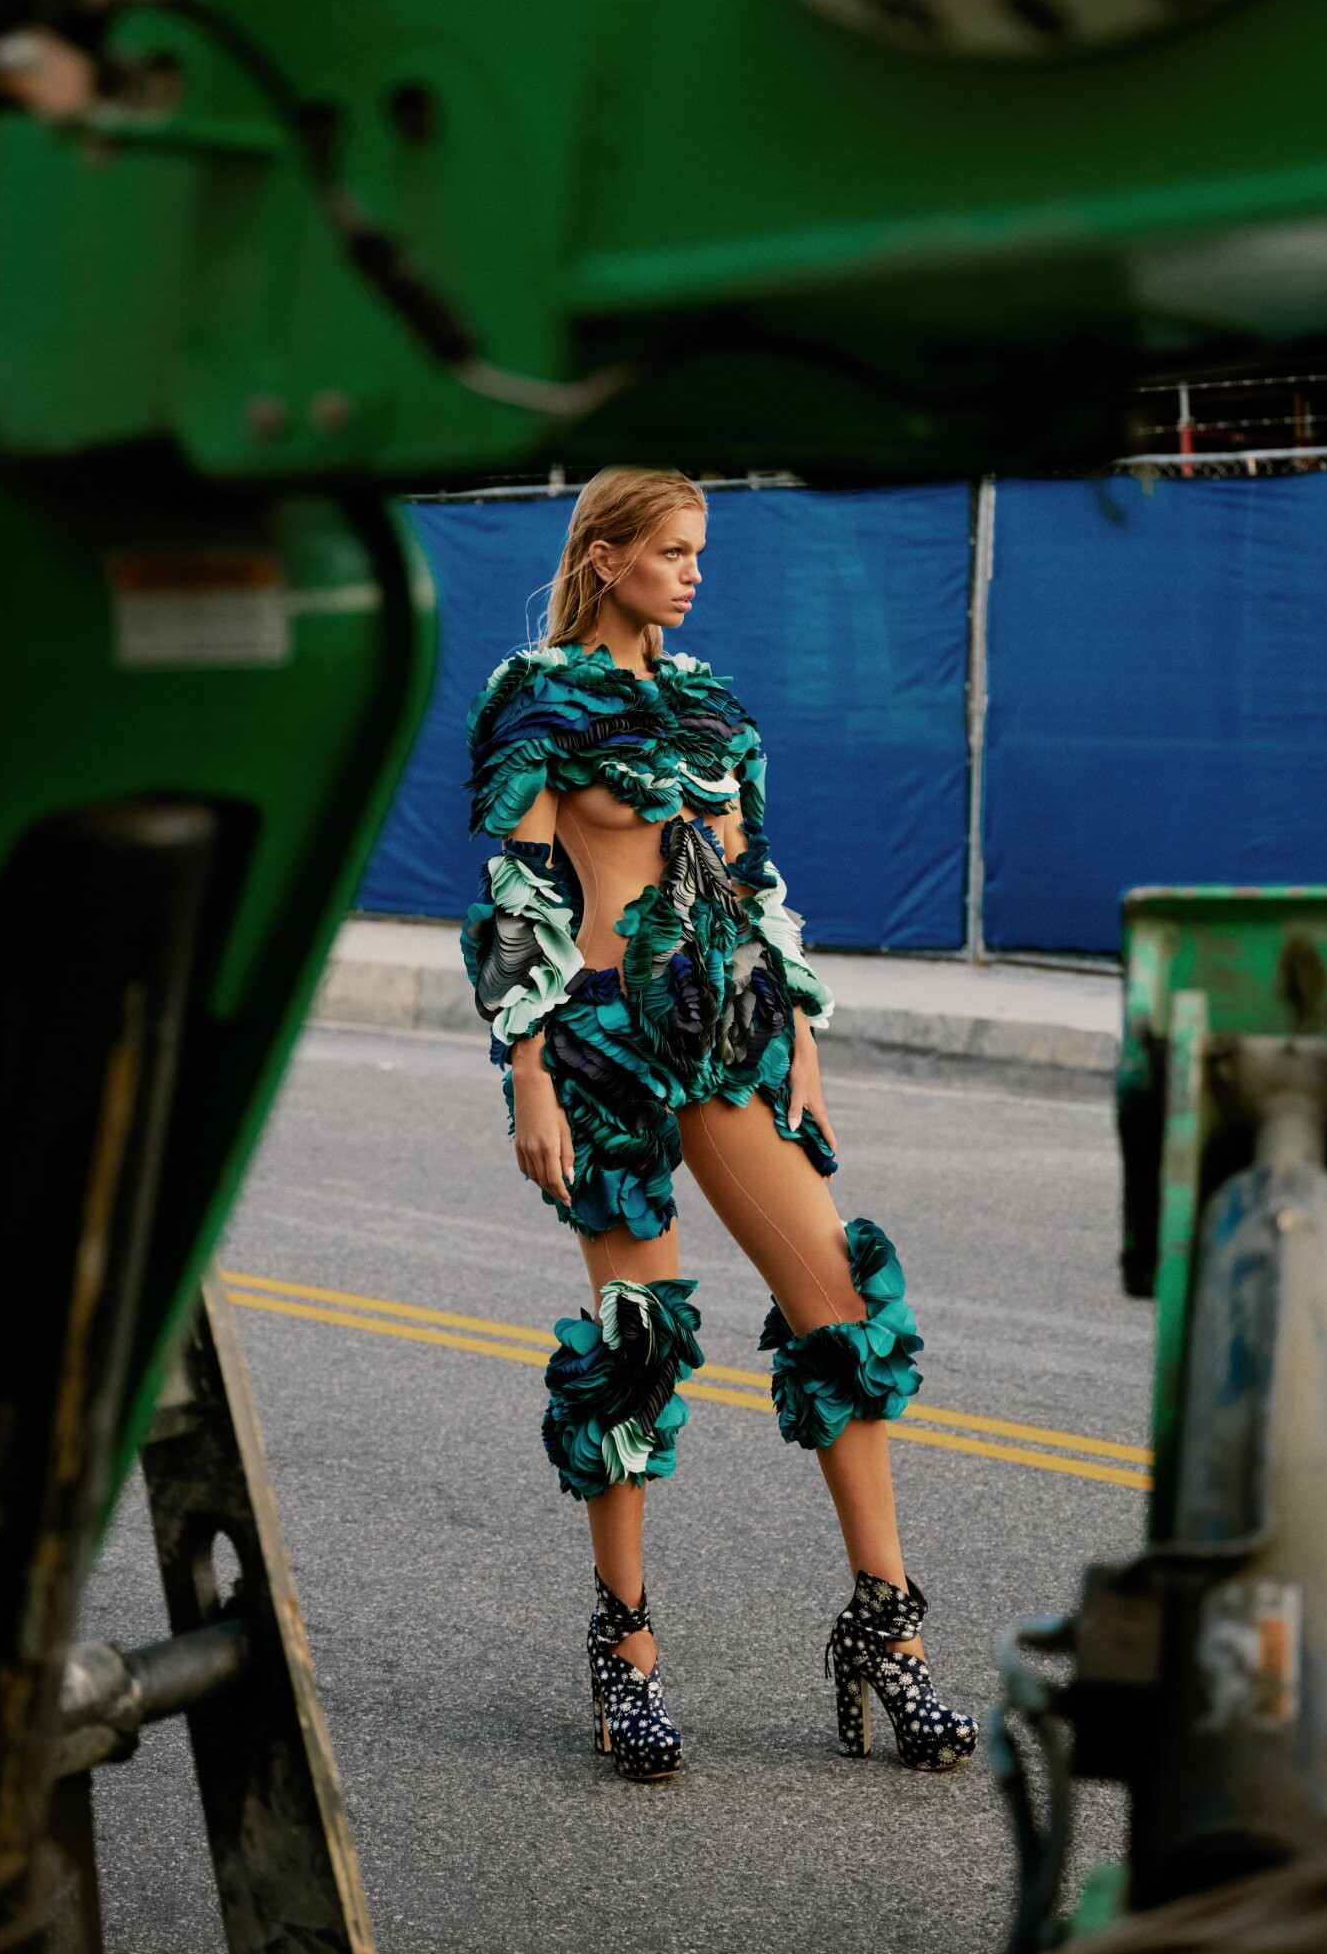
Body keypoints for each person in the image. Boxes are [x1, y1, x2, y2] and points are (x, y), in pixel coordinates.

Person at [460, 467, 977, 1782]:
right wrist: (528, 1069)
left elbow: (752, 886)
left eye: (700, 552)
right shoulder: (537, 700)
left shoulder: (709, 703)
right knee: (638, 1346)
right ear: (606, 557)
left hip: (734, 1033)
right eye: (673, 552)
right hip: (602, 1041)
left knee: (843, 1315)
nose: (694, 574)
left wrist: (801, 1033)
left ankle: (887, 1630)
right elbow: (518, 894)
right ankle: (625, 1652)